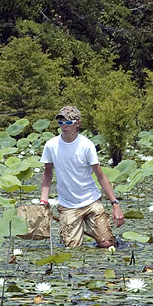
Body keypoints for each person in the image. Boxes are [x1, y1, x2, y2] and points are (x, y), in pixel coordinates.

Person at [39, 105, 124, 248]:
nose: (63, 126)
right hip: (68, 205)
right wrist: (43, 201)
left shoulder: (86, 145)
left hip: (91, 201)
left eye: (68, 122)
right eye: (60, 122)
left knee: (107, 244)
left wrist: (115, 204)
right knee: (72, 250)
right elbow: (47, 175)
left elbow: (100, 176)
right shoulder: (51, 145)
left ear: (78, 123)